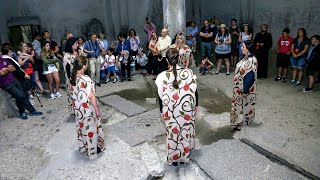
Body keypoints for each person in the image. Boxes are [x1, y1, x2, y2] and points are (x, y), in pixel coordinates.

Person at [155, 48, 198, 166]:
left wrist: (161, 111)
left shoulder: (162, 76)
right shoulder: (189, 73)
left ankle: (174, 158)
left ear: (167, 60)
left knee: (172, 134)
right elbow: (195, 91)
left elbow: (160, 96)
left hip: (170, 110)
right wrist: (196, 106)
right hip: (186, 109)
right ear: (180, 58)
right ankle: (184, 157)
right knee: (184, 131)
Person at [70, 56, 105, 159]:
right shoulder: (86, 79)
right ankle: (93, 150)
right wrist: (97, 110)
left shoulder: (73, 77)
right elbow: (91, 96)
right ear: (84, 66)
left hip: (78, 109)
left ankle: (84, 147)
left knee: (83, 128)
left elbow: (72, 95)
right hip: (87, 109)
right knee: (91, 129)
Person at [0, 47, 43, 120]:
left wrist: (6, 69)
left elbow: (13, 68)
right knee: (20, 96)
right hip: (6, 83)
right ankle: (23, 112)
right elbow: (1, 72)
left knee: (23, 95)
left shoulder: (3, 60)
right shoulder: (5, 59)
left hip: (14, 80)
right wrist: (7, 69)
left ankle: (30, 111)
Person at [230, 43, 257, 131]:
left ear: (248, 49)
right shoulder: (246, 57)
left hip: (244, 89)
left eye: (244, 47)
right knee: (238, 106)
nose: (242, 47)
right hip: (239, 88)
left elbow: (250, 77)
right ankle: (239, 122)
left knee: (246, 106)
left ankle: (244, 124)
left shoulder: (251, 60)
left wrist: (245, 91)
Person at [63, 37, 79, 113]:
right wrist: (73, 81)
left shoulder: (75, 53)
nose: (77, 44)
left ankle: (79, 109)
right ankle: (74, 111)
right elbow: (68, 71)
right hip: (71, 79)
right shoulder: (67, 56)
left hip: (77, 78)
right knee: (72, 95)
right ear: (71, 45)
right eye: (76, 43)